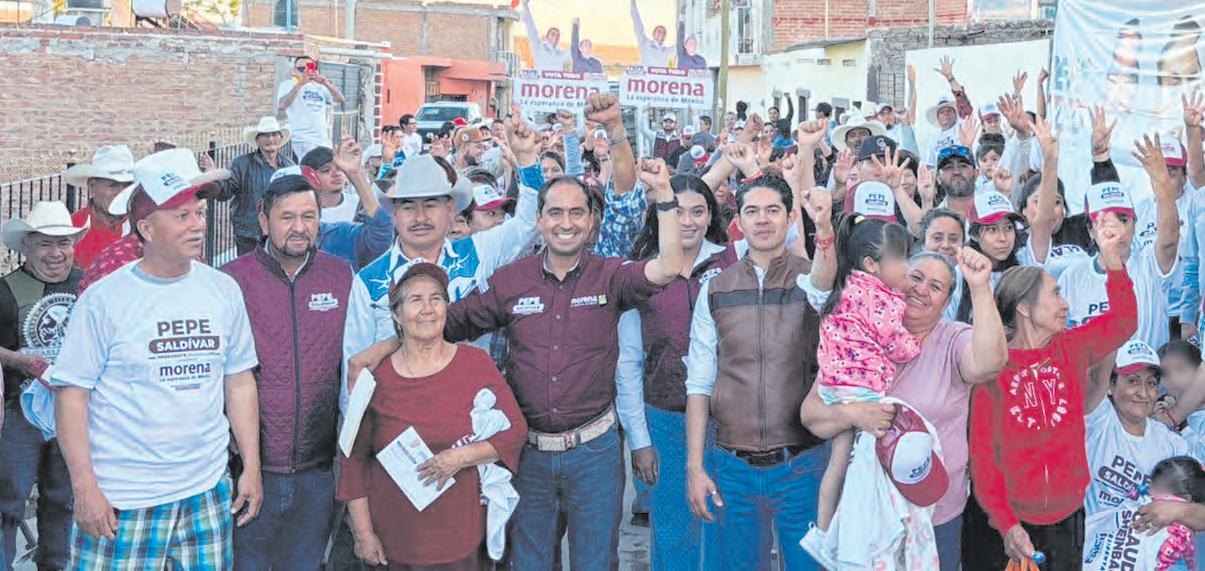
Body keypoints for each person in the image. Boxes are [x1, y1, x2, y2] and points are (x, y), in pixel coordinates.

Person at [437, 155, 683, 571]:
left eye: (576, 213)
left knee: (595, 563)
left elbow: (669, 267)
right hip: (528, 455)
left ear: (591, 222)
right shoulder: (511, 280)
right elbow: (447, 325)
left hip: (595, 455)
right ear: (539, 220)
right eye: (555, 212)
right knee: (529, 564)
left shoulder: (610, 276)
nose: (565, 223)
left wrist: (663, 195)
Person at [50, 148, 262, 569]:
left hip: (205, 492)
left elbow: (239, 381)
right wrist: (85, 487)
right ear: (145, 228)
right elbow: (71, 395)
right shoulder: (104, 300)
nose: (198, 224)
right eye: (182, 216)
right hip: (123, 499)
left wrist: (251, 467)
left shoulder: (223, 291)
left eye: (199, 213)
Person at [802, 246, 1008, 570]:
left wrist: (980, 287)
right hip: (861, 517)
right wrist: (852, 414)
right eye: (916, 277)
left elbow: (990, 362)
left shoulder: (953, 340)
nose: (922, 290)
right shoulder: (860, 333)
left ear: (946, 303)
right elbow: (812, 414)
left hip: (935, 517)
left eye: (936, 286)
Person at [969, 213, 1136, 570]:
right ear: (1024, 307)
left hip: (1068, 518)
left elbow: (1124, 322)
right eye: (1056, 294)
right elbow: (983, 458)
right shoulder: (993, 368)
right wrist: (1006, 523)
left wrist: (1112, 261)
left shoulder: (1072, 347)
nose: (1065, 304)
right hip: (1011, 524)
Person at [684, 172, 831, 570]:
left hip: (803, 464)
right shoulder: (717, 289)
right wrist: (695, 467)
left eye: (772, 210)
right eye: (752, 211)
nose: (762, 219)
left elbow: (824, 287)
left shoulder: (812, 281)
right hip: (733, 468)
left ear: (790, 218)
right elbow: (699, 384)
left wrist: (824, 229)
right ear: (739, 221)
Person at [342, 120, 540, 414]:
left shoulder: (478, 252)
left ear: (450, 209)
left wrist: (526, 160)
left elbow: (528, 224)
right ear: (394, 213)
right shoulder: (369, 281)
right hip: (399, 423)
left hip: (472, 420)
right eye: (408, 206)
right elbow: (355, 370)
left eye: (431, 204)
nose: (420, 217)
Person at [339, 263, 526, 570]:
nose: (427, 308)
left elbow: (515, 431)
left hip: (460, 537)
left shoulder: (475, 364)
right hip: (394, 541)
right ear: (396, 314)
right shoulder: (374, 379)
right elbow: (353, 460)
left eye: (436, 298)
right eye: (415, 300)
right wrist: (363, 534)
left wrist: (460, 457)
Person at [222, 174, 352, 570]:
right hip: (249, 471)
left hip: (317, 471)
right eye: (287, 217)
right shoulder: (230, 281)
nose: (299, 227)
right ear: (263, 221)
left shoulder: (342, 276)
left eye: (309, 216)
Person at [615, 173, 734, 571]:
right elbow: (628, 364)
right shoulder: (641, 274)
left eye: (698, 212)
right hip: (665, 420)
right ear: (660, 216)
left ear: (710, 215)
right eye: (677, 212)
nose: (687, 221)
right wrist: (639, 439)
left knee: (724, 522)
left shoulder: (732, 261)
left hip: (728, 421)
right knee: (673, 527)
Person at [0, 201, 88, 571]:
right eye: (45, 244)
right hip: (19, 412)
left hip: (76, 411)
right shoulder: (6, 290)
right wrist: (23, 362)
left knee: (64, 501)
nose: (56, 254)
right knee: (8, 501)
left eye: (63, 243)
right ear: (26, 246)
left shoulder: (89, 284)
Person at [1059, 135, 1179, 352]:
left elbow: (1169, 240)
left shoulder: (1149, 263)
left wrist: (1162, 181)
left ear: (1135, 224)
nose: (1116, 230)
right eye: (1105, 221)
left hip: (1147, 373)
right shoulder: (1071, 278)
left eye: (1123, 220)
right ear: (1090, 230)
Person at [1084, 339, 1192, 518]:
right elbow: (1094, 378)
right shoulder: (1096, 420)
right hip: (1090, 533)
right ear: (1110, 386)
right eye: (1133, 381)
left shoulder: (1174, 444)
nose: (1143, 393)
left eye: (1151, 383)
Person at [213, 116, 297, 255]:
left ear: (280, 138)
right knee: (250, 268)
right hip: (250, 235)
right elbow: (224, 192)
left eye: (274, 134)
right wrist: (214, 178)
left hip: (281, 233)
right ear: (257, 140)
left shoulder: (289, 166)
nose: (270, 139)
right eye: (265, 135)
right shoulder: (241, 164)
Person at [63, 145, 135, 268]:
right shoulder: (72, 228)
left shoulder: (144, 225)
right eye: (113, 186)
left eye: (127, 186)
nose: (122, 193)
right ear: (92, 186)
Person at [276, 56, 347, 161]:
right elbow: (282, 105)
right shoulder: (287, 85)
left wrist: (325, 82)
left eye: (309, 68)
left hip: (323, 140)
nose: (305, 72)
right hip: (302, 139)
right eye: (301, 69)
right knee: (310, 168)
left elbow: (340, 99)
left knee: (328, 168)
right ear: (294, 70)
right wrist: (300, 83)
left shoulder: (320, 86)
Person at [300, 147, 362, 223]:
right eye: (326, 170)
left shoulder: (359, 205)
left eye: (339, 168)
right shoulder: (301, 211)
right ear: (311, 177)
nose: (336, 173)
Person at [521, 0, 569, 72]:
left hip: (557, 79)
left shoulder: (562, 54)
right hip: (541, 79)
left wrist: (576, 28)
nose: (555, 36)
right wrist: (525, 7)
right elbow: (531, 31)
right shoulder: (538, 47)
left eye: (558, 35)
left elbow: (575, 51)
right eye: (553, 34)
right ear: (546, 37)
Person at [631, 0, 671, 67]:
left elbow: (672, 69)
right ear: (653, 34)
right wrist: (633, 3)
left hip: (662, 74)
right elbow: (637, 22)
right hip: (647, 73)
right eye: (659, 31)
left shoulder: (669, 50)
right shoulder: (645, 43)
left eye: (664, 33)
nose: (661, 34)